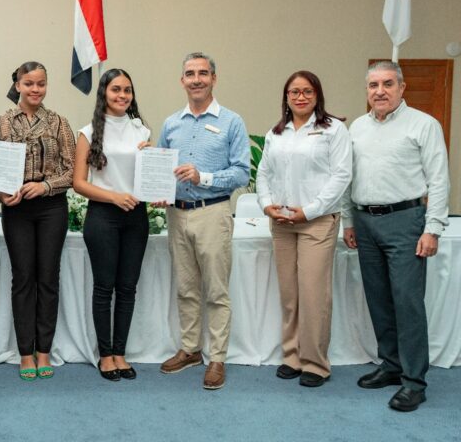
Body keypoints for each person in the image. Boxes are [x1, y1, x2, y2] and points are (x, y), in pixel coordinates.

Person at [342, 61, 449, 412]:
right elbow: (348, 178)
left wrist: (432, 228)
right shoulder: (357, 127)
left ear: (402, 88)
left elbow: (439, 180)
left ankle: (414, 382)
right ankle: (390, 366)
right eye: (373, 85)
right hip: (366, 222)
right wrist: (348, 221)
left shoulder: (423, 124)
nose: (380, 91)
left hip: (406, 221)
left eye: (388, 84)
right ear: (367, 90)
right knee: (379, 300)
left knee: (407, 303)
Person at [157, 52, 249, 390]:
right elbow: (160, 168)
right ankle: (191, 350)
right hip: (177, 213)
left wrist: (203, 177)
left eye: (203, 73)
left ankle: (218, 358)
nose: (196, 79)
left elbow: (241, 172)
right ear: (181, 80)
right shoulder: (171, 124)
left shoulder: (231, 121)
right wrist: (157, 188)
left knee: (216, 290)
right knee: (186, 288)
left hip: (213, 212)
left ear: (214, 78)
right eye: (190, 73)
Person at [256, 70, 352, 387]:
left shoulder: (333, 130)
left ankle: (315, 363)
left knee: (313, 295)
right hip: (282, 222)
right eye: (294, 91)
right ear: (286, 97)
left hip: (317, 222)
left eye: (307, 91)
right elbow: (264, 173)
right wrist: (267, 204)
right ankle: (292, 356)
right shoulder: (276, 133)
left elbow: (341, 177)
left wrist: (308, 211)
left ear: (317, 95)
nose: (300, 97)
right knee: (290, 295)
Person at [0, 61, 75, 381]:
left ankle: (44, 351)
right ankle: (26, 352)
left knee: (48, 278)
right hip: (17, 209)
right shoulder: (1, 122)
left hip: (52, 207)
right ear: (18, 85)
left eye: (41, 83)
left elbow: (72, 170)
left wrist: (45, 185)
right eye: (29, 83)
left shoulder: (58, 123)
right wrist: (0, 194)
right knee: (23, 278)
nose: (35, 89)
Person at [73, 69, 151, 382]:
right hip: (103, 217)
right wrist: (114, 197)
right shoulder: (88, 132)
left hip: (136, 217)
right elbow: (78, 183)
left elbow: (149, 178)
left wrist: (152, 158)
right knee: (105, 288)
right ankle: (105, 355)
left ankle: (121, 352)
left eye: (127, 90)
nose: (122, 96)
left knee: (128, 288)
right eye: (116, 89)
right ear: (104, 92)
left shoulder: (142, 130)